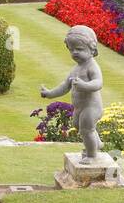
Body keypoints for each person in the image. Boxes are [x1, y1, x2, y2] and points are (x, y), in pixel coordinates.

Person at [40, 25, 104, 161]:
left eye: (79, 49)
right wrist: (49, 93)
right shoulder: (76, 69)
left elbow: (98, 83)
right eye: (71, 49)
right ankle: (96, 143)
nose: (74, 53)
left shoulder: (92, 67)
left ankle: (92, 155)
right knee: (78, 125)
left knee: (86, 129)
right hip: (79, 107)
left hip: (91, 107)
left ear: (92, 49)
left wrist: (84, 85)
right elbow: (65, 86)